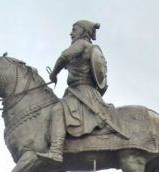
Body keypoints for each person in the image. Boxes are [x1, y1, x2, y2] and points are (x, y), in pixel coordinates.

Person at [37, 20, 127, 164]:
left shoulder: (81, 44)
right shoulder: (90, 48)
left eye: (74, 29)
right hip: (83, 92)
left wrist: (54, 73)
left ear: (83, 31)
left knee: (57, 110)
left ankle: (56, 152)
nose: (71, 33)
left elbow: (64, 56)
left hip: (82, 92)